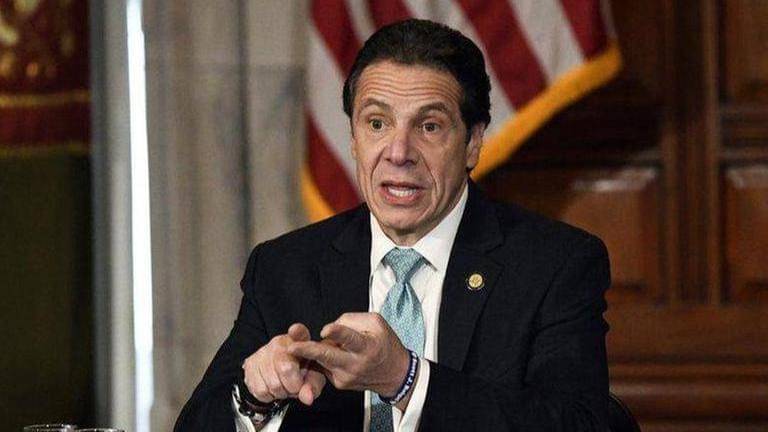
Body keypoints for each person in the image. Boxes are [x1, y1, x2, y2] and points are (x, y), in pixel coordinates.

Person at [175, 18, 610, 432]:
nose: (398, 152)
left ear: (473, 142)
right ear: (353, 138)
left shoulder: (553, 265)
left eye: (429, 126)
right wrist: (254, 397)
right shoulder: (285, 268)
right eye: (377, 123)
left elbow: (581, 424)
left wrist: (406, 380)